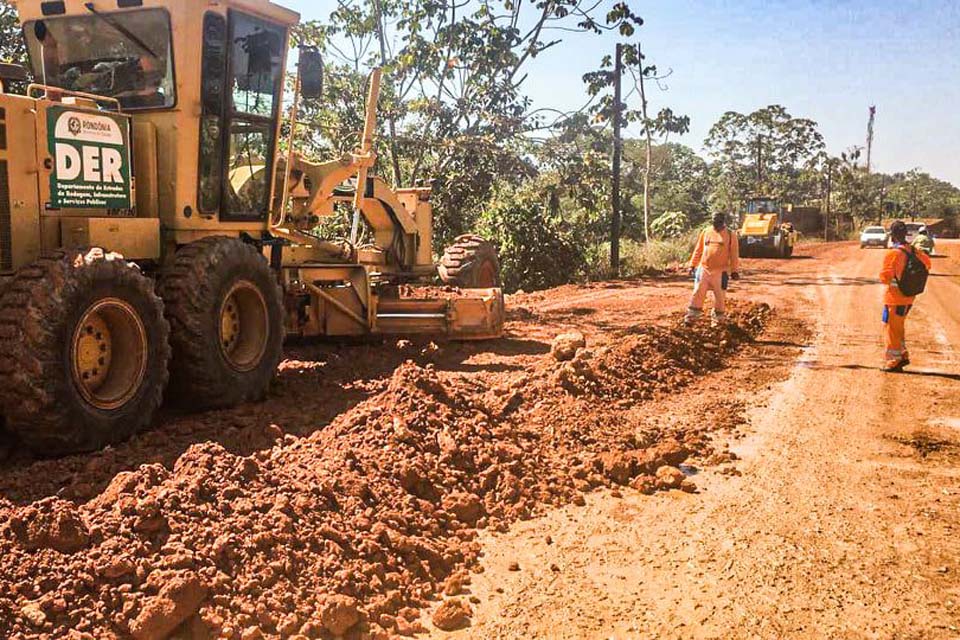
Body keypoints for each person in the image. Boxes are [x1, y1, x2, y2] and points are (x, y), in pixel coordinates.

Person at [879, 220, 932, 372]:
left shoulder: (893, 254)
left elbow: (885, 277)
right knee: (898, 327)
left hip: (895, 299)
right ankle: (902, 355)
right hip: (908, 297)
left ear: (893, 236)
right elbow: (928, 264)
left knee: (892, 329)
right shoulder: (914, 251)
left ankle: (894, 361)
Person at [686, 212, 741, 326]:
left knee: (720, 296)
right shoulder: (706, 232)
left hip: (720, 272)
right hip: (704, 269)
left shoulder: (731, 235)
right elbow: (699, 249)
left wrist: (734, 271)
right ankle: (692, 317)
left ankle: (718, 321)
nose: (716, 223)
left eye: (719, 221)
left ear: (723, 221)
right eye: (714, 220)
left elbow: (734, 254)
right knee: (698, 292)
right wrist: (692, 265)